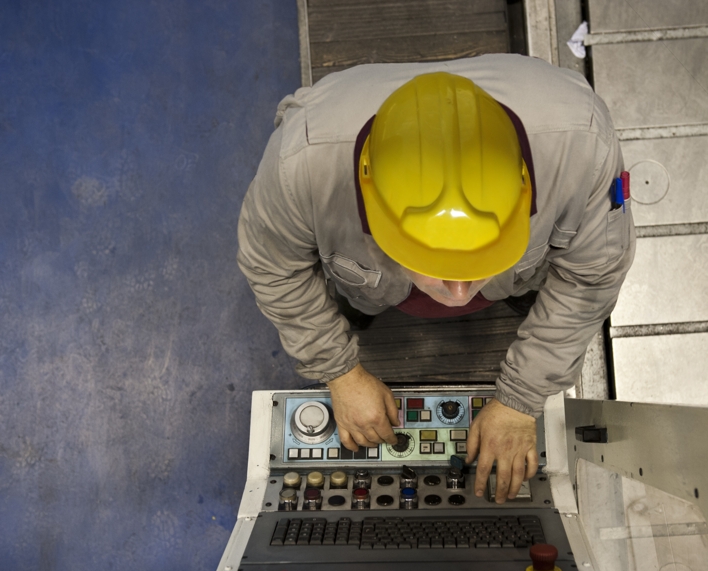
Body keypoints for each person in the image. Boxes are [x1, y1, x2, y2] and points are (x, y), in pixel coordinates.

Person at [237, 54, 634, 504]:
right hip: (365, 282)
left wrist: (521, 399)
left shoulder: (583, 147)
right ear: (374, 211)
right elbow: (271, 266)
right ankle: (360, 308)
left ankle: (514, 289)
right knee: (349, 306)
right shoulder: (300, 165)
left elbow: (592, 277)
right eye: (434, 266)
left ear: (526, 186)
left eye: (483, 260)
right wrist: (340, 372)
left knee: (535, 293)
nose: (460, 295)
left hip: (526, 269)